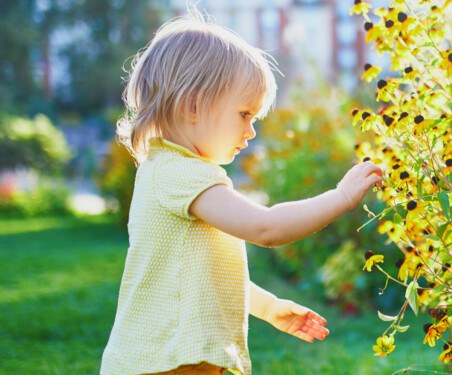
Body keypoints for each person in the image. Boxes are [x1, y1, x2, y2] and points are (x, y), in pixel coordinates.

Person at [100, 6, 383, 375]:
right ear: (193, 106)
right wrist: (341, 197)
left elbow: (204, 275)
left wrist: (267, 307)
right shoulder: (181, 174)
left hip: (170, 360)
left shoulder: (173, 171)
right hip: (161, 363)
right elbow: (266, 228)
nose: (251, 131)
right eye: (244, 114)